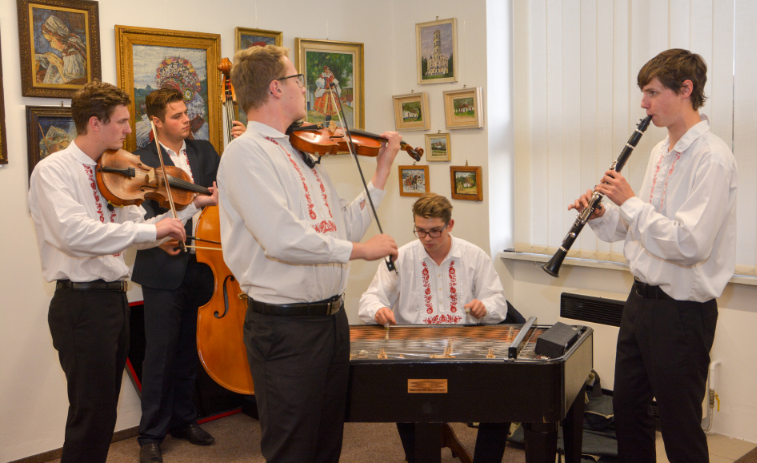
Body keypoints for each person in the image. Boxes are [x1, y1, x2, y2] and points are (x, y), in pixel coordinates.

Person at [217, 44, 402, 463]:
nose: (304, 87)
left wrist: (381, 171)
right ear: (275, 88)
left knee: (325, 443)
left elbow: (341, 228)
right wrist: (361, 251)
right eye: (298, 79)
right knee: (293, 448)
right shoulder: (246, 152)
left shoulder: (303, 152)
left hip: (331, 322)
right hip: (286, 329)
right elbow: (282, 239)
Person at [27, 81, 217, 463]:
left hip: (114, 299)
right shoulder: (53, 171)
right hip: (80, 303)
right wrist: (152, 232)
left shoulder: (114, 170)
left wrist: (189, 208)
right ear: (95, 123)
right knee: (90, 414)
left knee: (104, 413)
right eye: (122, 122)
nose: (130, 130)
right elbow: (75, 234)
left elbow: (138, 229)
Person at [569, 49, 737, 463]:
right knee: (628, 413)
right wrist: (603, 215)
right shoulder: (661, 151)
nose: (643, 104)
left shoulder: (713, 158)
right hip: (640, 303)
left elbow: (689, 245)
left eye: (652, 92)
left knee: (679, 426)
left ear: (686, 89)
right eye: (643, 93)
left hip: (682, 311)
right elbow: (637, 229)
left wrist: (630, 201)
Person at [358, 193, 508, 463]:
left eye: (435, 231)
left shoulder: (473, 256)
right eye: (420, 231)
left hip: (464, 349)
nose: (427, 238)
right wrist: (377, 310)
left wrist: (485, 307)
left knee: (501, 400)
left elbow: (498, 302)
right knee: (403, 400)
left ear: (450, 225)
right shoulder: (401, 257)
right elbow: (369, 299)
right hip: (415, 352)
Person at [132, 88, 221, 463]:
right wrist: (193, 206)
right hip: (162, 268)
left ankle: (185, 420)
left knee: (188, 350)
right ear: (156, 121)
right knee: (160, 355)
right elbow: (143, 220)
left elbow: (226, 195)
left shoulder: (205, 151)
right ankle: (150, 434)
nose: (186, 119)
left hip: (204, 263)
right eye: (176, 115)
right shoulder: (141, 161)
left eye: (186, 112)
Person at [35, 14, 88, 85]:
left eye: (50, 40)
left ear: (58, 36)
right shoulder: (69, 49)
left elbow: (72, 82)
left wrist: (57, 63)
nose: (51, 45)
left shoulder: (72, 54)